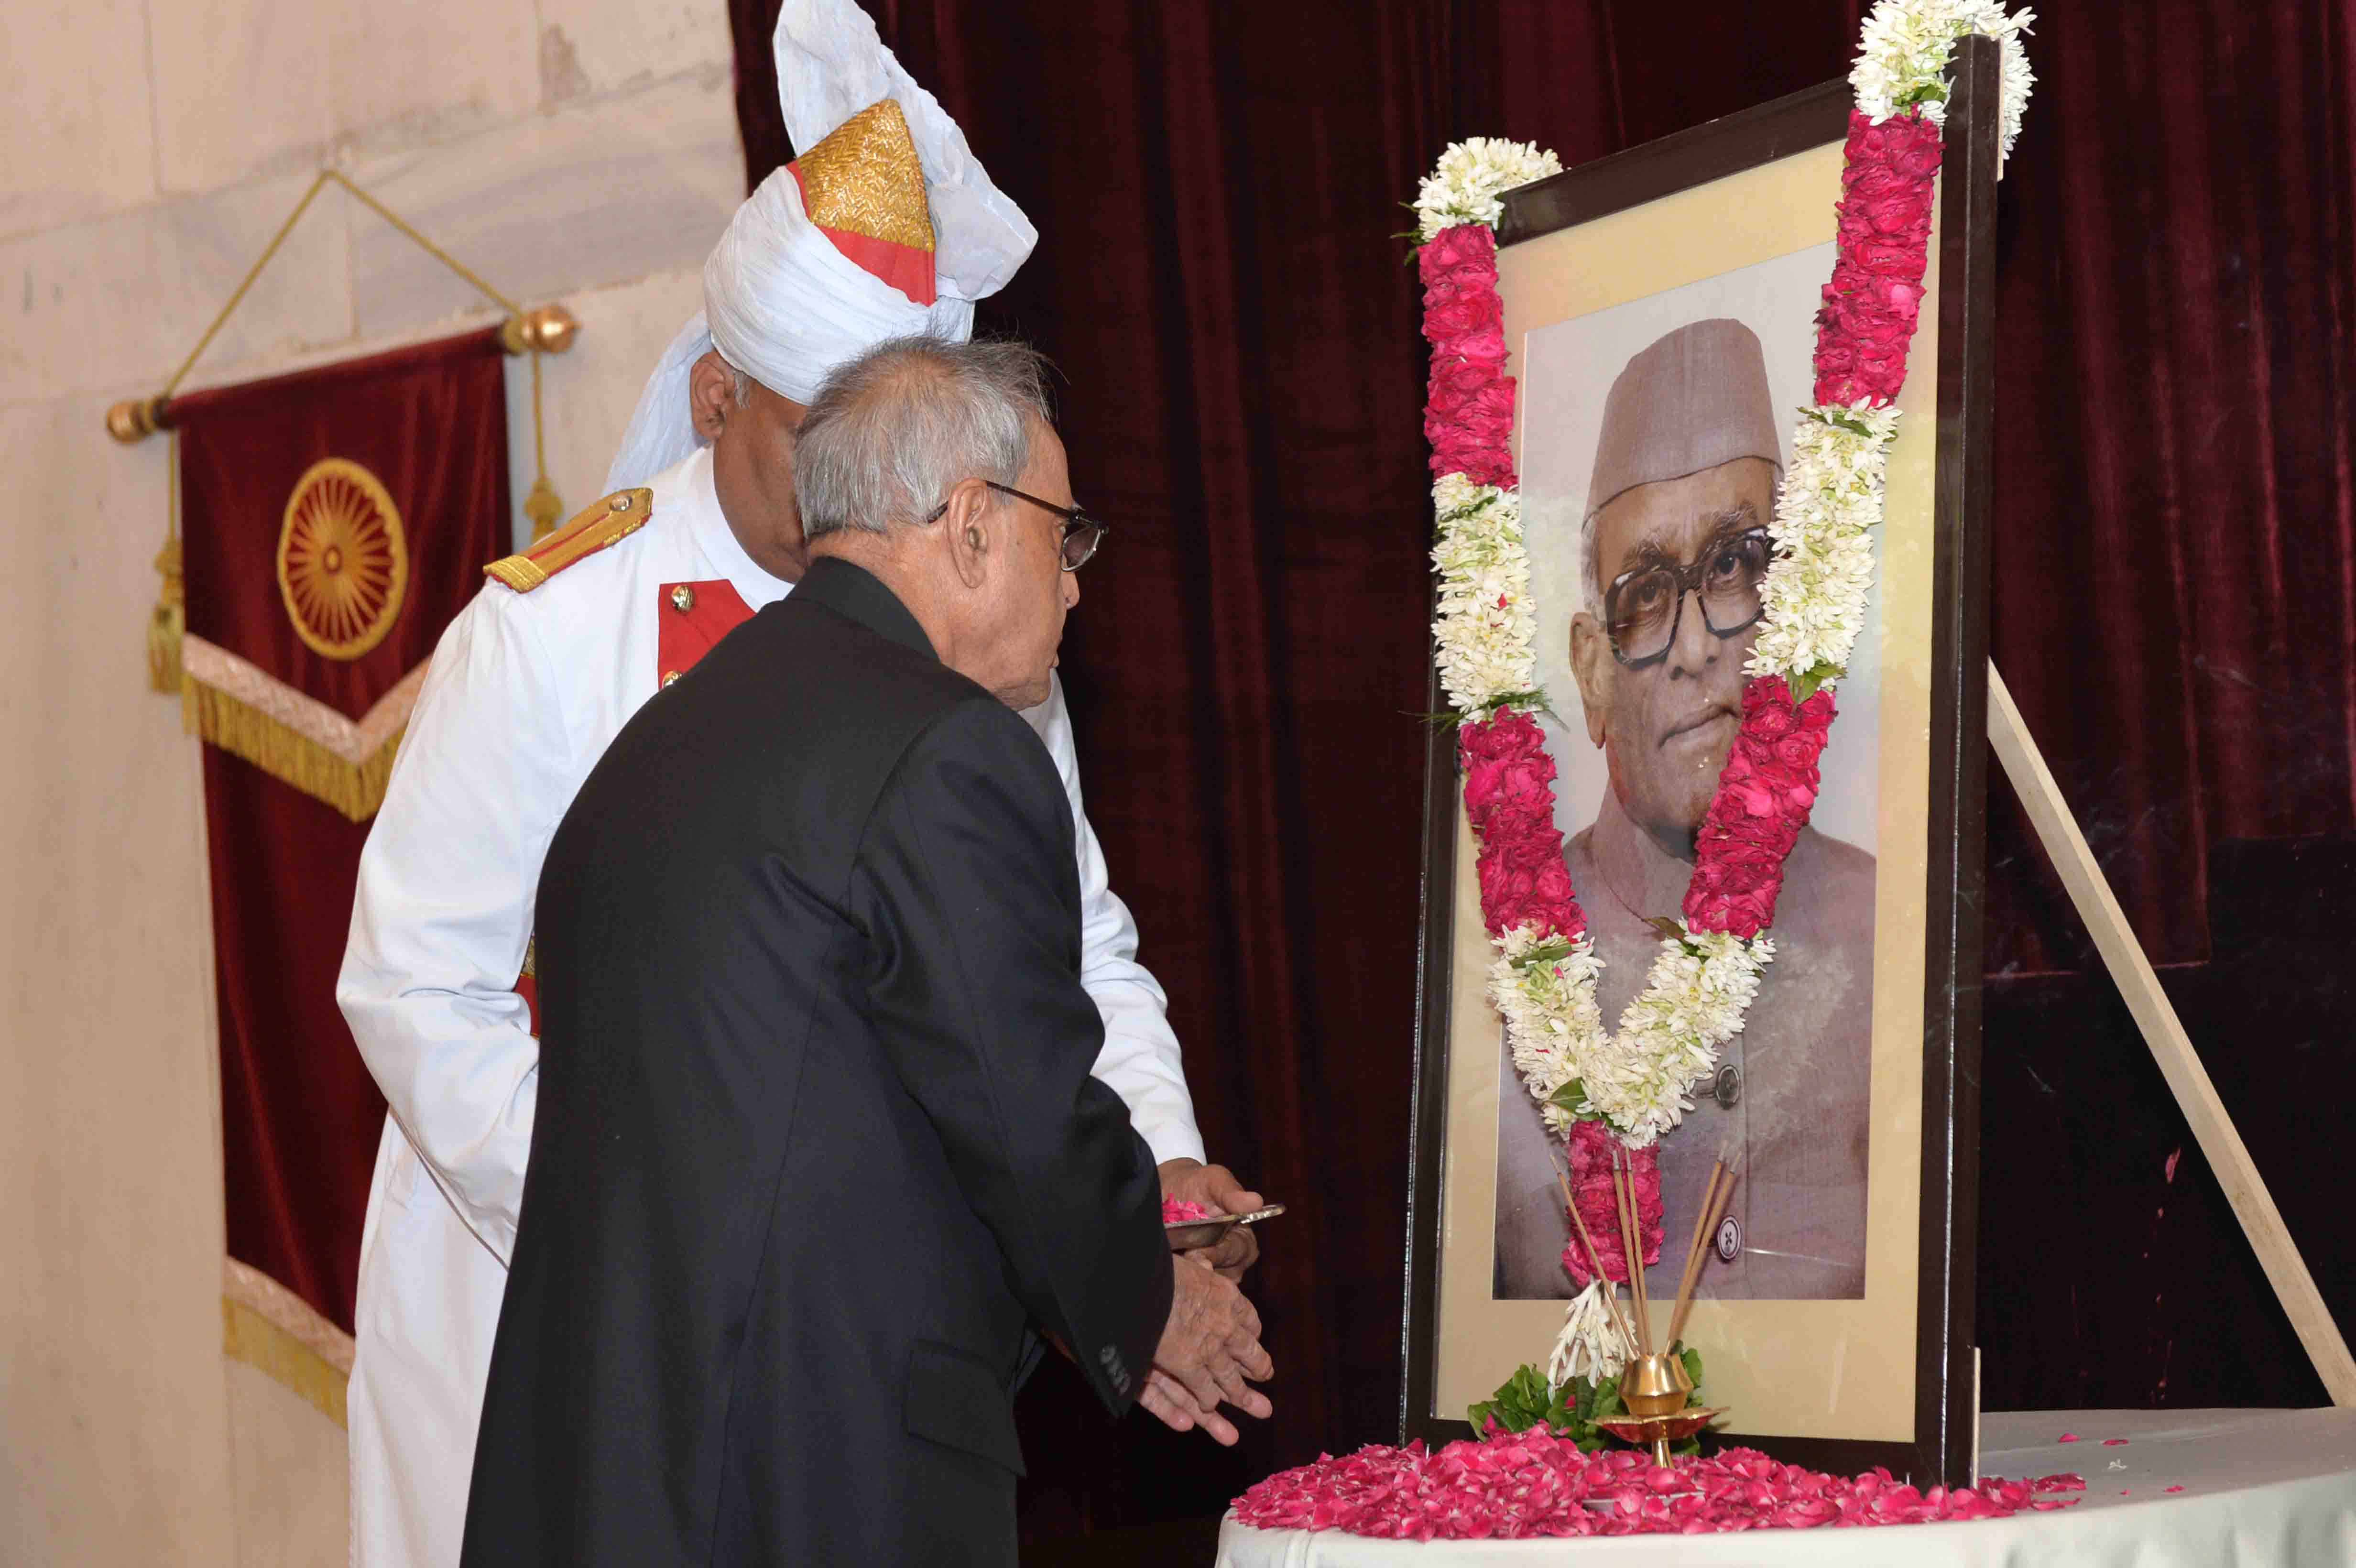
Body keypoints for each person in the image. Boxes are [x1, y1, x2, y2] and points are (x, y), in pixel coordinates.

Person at [338, 5, 1255, 1563]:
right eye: (826, 438)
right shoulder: (556, 625)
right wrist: (650, 1218)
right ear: (716, 400)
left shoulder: (978, 646)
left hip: (847, 1333)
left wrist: (1155, 1175)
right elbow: (415, 991)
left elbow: (1062, 945)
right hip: (549, 1291)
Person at [460, 336, 1273, 1566]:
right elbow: (1017, 1099)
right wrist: (1148, 1302)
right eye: (1066, 536)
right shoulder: (943, 746)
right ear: (970, 526)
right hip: (811, 1465)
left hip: (610, 1466)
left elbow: (833, 1101)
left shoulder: (659, 746)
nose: (1074, 587)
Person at [1495, 318, 1876, 1302]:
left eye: (1733, 565)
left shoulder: (1893, 929)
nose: (1698, 646)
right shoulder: (1504, 966)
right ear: (1589, 668)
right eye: (1647, 594)